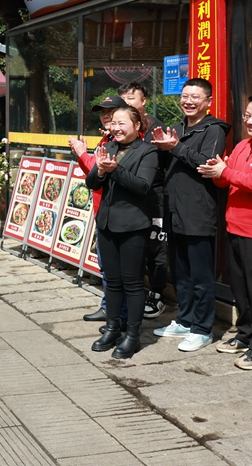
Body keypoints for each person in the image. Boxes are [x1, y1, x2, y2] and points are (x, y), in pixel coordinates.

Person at [198, 92, 252, 370]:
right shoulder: (241, 145)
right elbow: (227, 182)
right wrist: (217, 171)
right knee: (241, 290)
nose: (248, 121)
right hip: (234, 226)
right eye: (246, 115)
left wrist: (226, 172)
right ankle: (245, 334)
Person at [151, 78, 230, 352]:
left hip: (198, 211)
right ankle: (184, 320)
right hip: (174, 209)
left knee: (200, 274)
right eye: (185, 96)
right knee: (181, 271)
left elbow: (207, 163)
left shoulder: (215, 128)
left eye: (195, 97)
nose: (188, 101)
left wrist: (175, 148)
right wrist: (161, 149)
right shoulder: (177, 128)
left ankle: (202, 328)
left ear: (208, 101)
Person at [85, 106, 158, 359]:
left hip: (133, 226)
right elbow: (91, 182)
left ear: (138, 126)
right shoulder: (110, 147)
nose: (115, 127)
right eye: (113, 123)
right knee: (112, 282)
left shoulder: (148, 151)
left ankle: (133, 335)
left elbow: (143, 186)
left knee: (133, 283)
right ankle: (113, 328)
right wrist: (102, 170)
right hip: (106, 223)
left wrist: (115, 169)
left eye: (121, 123)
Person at [68, 96, 126, 326]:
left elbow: (101, 168)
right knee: (106, 266)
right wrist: (82, 155)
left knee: (117, 270)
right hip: (101, 209)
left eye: (111, 111)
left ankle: (119, 316)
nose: (106, 116)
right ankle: (109, 308)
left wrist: (83, 154)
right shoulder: (105, 139)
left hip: (116, 212)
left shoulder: (124, 142)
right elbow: (93, 174)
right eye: (102, 112)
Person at [118, 82, 168, 319]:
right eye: (123, 98)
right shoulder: (119, 127)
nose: (127, 102)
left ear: (144, 100)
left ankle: (157, 295)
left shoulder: (155, 127)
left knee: (156, 248)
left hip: (154, 195)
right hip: (129, 195)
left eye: (131, 98)